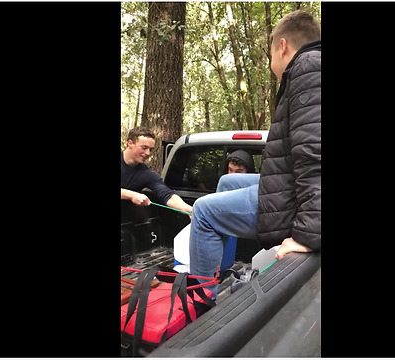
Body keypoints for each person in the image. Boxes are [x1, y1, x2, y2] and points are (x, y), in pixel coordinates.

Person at [188, 10, 321, 299]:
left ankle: (199, 302)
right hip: (292, 187)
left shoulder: (308, 68)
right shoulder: (312, 67)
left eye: (271, 52)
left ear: (282, 46)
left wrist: (309, 233)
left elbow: (314, 155)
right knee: (226, 182)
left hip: (297, 203)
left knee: (203, 211)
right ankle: (222, 275)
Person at [121, 127, 192, 214]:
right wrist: (132, 195)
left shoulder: (146, 174)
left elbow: (167, 195)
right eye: (144, 148)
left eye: (150, 149)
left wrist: (188, 209)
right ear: (130, 143)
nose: (148, 153)